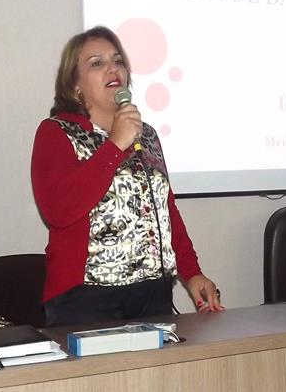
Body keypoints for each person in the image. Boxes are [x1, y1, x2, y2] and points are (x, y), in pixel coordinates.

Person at [31, 25, 223, 326]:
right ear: (75, 85)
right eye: (97, 63)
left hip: (151, 293)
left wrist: (192, 272)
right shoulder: (56, 133)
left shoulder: (146, 135)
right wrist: (115, 145)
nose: (113, 69)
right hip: (85, 298)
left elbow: (166, 211)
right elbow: (59, 210)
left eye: (118, 60)